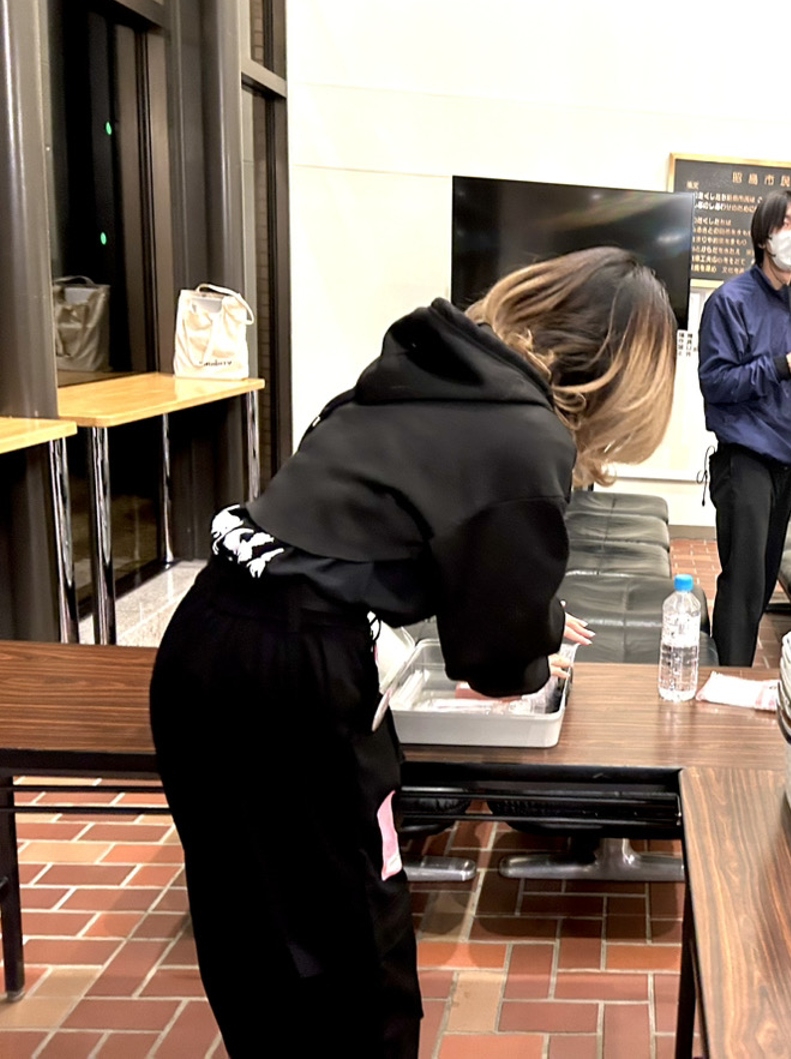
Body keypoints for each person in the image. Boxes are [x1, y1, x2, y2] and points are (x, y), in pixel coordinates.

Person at [148, 247, 677, 1058]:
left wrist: (535, 613)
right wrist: (531, 636)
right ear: (620, 377)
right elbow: (495, 661)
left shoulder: (422, 365)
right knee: (356, 955)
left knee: (245, 927)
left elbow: (407, 537)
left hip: (203, 637)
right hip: (298, 676)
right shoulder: (527, 434)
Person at [698, 189, 791, 666]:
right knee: (744, 579)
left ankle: (732, 667)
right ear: (763, 237)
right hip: (745, 458)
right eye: (786, 224)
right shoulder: (729, 301)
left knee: (764, 575)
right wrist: (783, 366)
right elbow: (716, 382)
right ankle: (730, 678)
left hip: (787, 456)